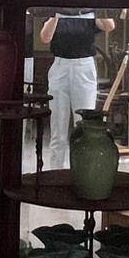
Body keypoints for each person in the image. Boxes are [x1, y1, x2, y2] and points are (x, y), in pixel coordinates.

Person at [38, 11, 117, 167]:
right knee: (57, 129)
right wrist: (57, 13)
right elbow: (45, 38)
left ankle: (81, 171)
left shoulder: (88, 12)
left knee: (83, 127)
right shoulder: (58, 13)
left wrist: (96, 6)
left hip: (84, 65)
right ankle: (56, 171)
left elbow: (110, 26)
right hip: (60, 64)